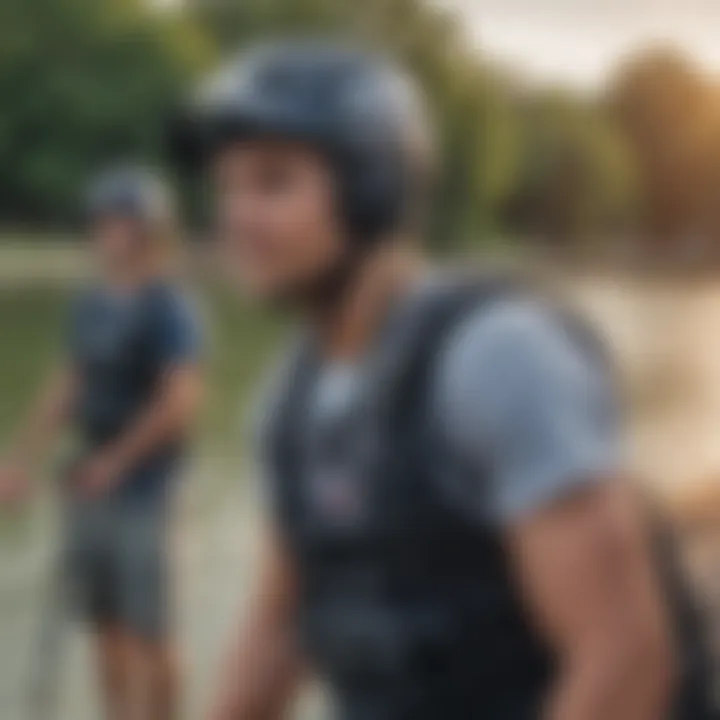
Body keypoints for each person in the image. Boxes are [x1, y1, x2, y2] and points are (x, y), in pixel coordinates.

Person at [175, 42, 714, 719]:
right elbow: (279, 628)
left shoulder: (495, 361)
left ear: (371, 189)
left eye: (272, 183)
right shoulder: (290, 403)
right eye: (225, 189)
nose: (235, 219)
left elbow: (624, 660)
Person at [0, 166, 204, 720]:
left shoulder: (171, 307)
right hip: (89, 485)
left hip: (146, 491)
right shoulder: (89, 303)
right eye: (101, 221)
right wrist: (20, 460)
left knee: (153, 634)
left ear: (148, 232)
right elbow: (67, 384)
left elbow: (181, 401)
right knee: (105, 628)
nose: (106, 232)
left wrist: (116, 462)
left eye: (119, 222)